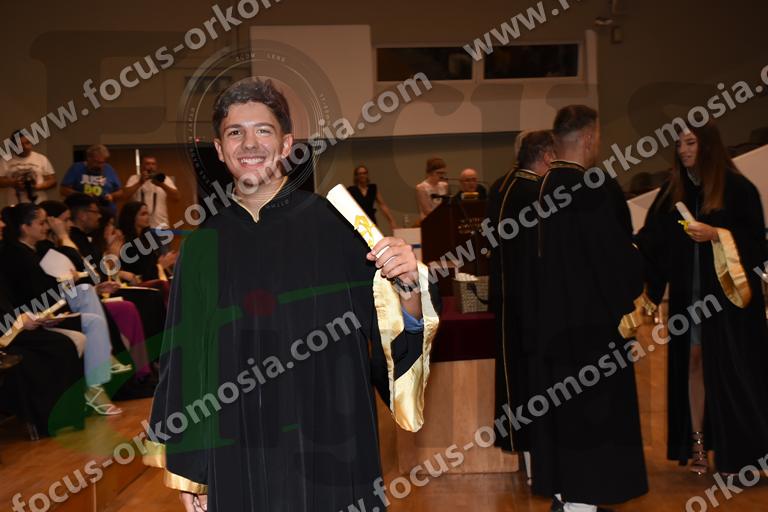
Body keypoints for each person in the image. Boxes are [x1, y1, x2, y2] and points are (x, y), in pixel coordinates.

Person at [143, 78, 438, 512]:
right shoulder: (202, 246)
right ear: (220, 150)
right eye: (235, 132)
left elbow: (388, 328)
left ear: (285, 144)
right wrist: (191, 472)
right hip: (238, 447)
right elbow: (185, 362)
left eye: (263, 130)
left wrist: (408, 284)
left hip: (333, 440)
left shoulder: (337, 227)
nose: (249, 144)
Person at [636, 121, 768, 475]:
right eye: (679, 145)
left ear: (708, 145)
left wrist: (717, 234)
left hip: (728, 301)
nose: (684, 151)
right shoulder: (673, 193)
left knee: (729, 369)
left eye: (691, 143)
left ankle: (737, 451)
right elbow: (652, 241)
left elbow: (757, 244)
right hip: (689, 297)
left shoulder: (738, 189)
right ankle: (697, 444)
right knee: (693, 362)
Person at [532, 105, 647, 512]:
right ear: (589, 137)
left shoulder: (543, 186)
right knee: (593, 422)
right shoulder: (592, 187)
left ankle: (565, 496)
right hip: (591, 330)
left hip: (554, 326)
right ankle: (580, 503)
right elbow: (613, 260)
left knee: (566, 417)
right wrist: (638, 260)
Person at [0, 203, 124, 415]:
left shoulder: (40, 248)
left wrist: (90, 286)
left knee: (86, 290)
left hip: (46, 309)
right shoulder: (15, 255)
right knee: (89, 311)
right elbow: (37, 294)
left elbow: (80, 266)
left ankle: (98, 377)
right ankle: (96, 382)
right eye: (41, 223)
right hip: (29, 316)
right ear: (25, 227)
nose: (47, 227)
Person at [487, 130, 555, 489]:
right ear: (546, 156)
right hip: (534, 304)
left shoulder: (500, 187)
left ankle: (527, 462)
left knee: (515, 381)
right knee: (536, 384)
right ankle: (540, 467)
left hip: (505, 298)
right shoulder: (537, 192)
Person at [0, 214, 87, 436]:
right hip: (6, 335)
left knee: (63, 343)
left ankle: (64, 413)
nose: (2, 224)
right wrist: (19, 322)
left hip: (11, 328)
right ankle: (47, 418)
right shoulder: (14, 254)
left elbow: (7, 303)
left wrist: (28, 318)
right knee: (56, 348)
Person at [117, 201, 177, 283]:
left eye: (148, 214)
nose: (148, 217)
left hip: (154, 281)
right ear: (132, 217)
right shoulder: (126, 243)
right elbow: (142, 274)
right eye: (143, 214)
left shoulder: (148, 238)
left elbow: (154, 264)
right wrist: (161, 266)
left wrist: (166, 262)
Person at [60, 144, 123, 213]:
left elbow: (120, 192)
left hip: (105, 210)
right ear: (88, 158)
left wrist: (111, 196)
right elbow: (64, 190)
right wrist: (82, 196)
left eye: (102, 162)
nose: (100, 166)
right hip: (82, 211)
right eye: (97, 162)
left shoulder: (109, 169)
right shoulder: (77, 168)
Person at [0, 130, 57, 205]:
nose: (25, 147)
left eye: (27, 143)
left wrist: (36, 187)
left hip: (39, 203)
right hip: (15, 204)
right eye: (20, 145)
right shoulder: (5, 160)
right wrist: (13, 182)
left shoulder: (41, 158)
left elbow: (52, 181)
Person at [123, 156, 180, 228]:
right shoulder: (134, 178)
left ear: (156, 166)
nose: (151, 167)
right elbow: (124, 195)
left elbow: (177, 197)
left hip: (160, 225)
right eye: (147, 164)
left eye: (153, 164)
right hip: (138, 227)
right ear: (141, 166)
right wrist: (140, 182)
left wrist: (162, 185)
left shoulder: (164, 179)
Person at [347, 165, 397, 230]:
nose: (362, 175)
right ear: (356, 176)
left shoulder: (372, 188)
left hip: (371, 220)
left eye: (364, 173)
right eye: (360, 174)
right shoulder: (351, 190)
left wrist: (391, 221)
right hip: (358, 221)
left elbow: (382, 205)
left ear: (367, 175)